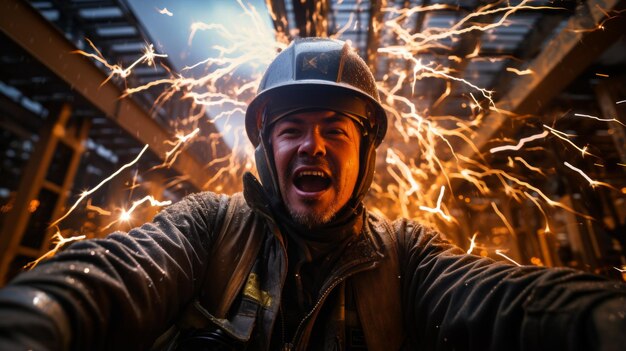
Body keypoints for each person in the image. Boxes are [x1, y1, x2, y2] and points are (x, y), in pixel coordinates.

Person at [0, 37, 625, 351]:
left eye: (335, 131)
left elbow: (493, 300)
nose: (312, 147)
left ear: (366, 153)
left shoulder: (405, 258)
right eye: (292, 130)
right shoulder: (209, 228)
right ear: (268, 151)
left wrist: (598, 319)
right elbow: (119, 274)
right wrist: (34, 317)